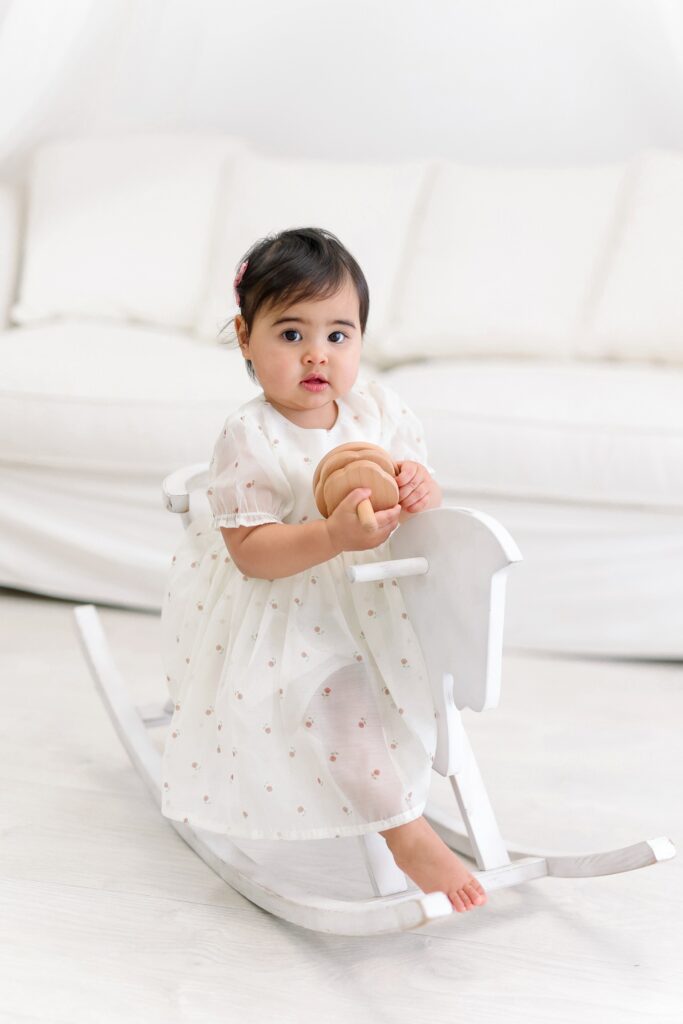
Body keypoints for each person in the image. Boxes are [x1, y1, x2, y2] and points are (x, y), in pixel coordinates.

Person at [160, 227, 486, 913]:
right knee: (337, 704)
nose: (316, 354)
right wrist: (333, 534)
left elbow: (410, 477)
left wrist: (419, 485)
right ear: (245, 339)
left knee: (406, 690)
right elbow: (252, 554)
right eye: (289, 334)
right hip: (287, 603)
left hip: (377, 593)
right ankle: (403, 830)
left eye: (338, 335)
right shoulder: (250, 436)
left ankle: (402, 790)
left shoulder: (377, 408)